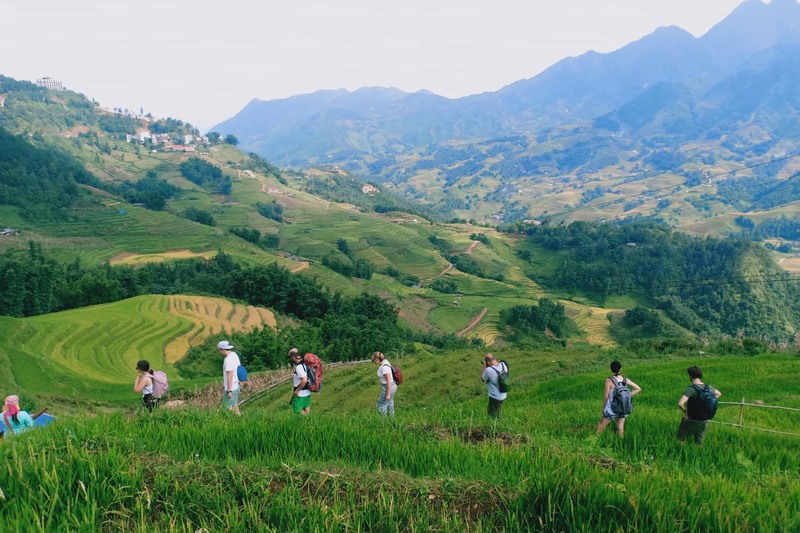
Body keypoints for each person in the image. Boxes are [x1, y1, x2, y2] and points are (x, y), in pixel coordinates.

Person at [677, 365, 722, 445]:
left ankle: (680, 454)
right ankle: (699, 454)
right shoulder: (708, 388)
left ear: (690, 376)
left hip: (691, 420)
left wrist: (685, 412)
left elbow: (680, 404)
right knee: (699, 443)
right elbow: (718, 393)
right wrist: (707, 400)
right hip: (703, 421)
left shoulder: (691, 389)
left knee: (681, 440)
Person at [597, 360, 641, 437]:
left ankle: (594, 442)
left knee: (601, 428)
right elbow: (638, 388)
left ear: (611, 369)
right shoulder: (625, 379)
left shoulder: (609, 381)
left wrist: (603, 408)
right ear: (620, 369)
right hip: (623, 407)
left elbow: (606, 396)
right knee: (620, 427)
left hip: (611, 408)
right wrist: (628, 395)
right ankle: (621, 443)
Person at [481, 353, 508, 418]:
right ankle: (499, 420)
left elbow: (482, 379)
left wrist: (484, 366)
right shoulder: (503, 365)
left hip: (495, 397)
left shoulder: (489, 370)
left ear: (488, 362)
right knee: (497, 410)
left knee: (492, 415)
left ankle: (498, 425)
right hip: (503, 394)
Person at [218, 340, 241, 416]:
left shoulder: (228, 360)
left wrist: (229, 390)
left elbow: (230, 375)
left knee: (226, 407)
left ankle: (235, 419)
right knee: (234, 404)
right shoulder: (234, 354)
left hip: (232, 387)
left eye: (219, 350)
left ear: (222, 349)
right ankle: (239, 418)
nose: (219, 351)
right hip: (236, 385)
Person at [371, 351, 397, 417]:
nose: (373, 362)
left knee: (381, 403)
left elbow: (388, 381)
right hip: (392, 386)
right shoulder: (385, 362)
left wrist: (388, 394)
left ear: (376, 359)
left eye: (373, 360)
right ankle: (392, 417)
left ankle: (384, 420)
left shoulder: (384, 367)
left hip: (388, 387)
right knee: (390, 401)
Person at [288, 348, 311, 415]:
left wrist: (297, 390)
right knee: (306, 407)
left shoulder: (299, 367)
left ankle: (306, 421)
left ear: (293, 357)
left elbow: (304, 380)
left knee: (297, 410)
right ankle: (308, 422)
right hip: (307, 391)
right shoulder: (305, 364)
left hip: (300, 392)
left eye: (290, 357)